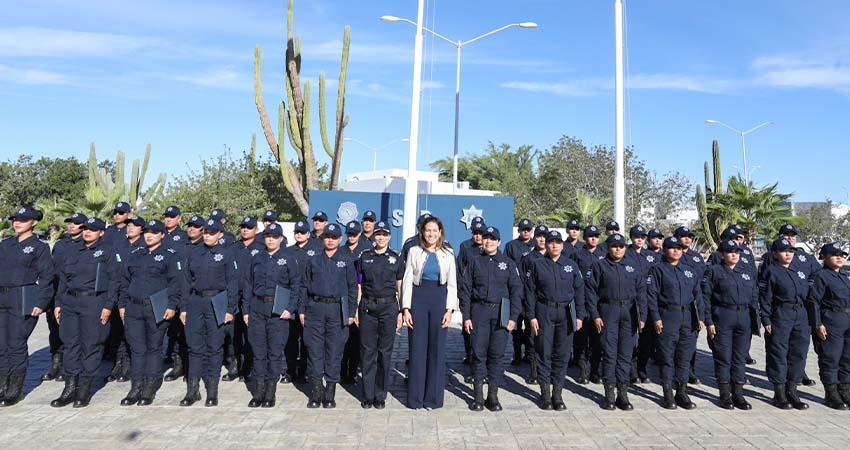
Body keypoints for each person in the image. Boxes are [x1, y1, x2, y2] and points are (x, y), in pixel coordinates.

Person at [50, 217, 117, 408]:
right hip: (70, 301)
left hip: (94, 302)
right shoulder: (72, 249)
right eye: (85, 228)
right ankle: (69, 388)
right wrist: (58, 303)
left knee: (91, 344)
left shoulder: (107, 251)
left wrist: (108, 306)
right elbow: (63, 279)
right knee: (70, 344)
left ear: (101, 233)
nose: (87, 232)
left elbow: (114, 281)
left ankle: (84, 390)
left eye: (93, 229)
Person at [117, 219, 183, 406]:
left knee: (154, 348)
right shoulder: (135, 254)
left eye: (154, 232)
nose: (149, 235)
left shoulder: (170, 256)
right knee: (137, 350)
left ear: (162, 235)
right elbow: (124, 281)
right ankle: (135, 387)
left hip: (157, 307)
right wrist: (122, 306)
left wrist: (172, 306)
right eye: (146, 231)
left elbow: (175, 284)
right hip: (133, 308)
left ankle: (149, 388)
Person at [460, 226, 522, 412]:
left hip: (501, 313)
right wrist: (466, 316)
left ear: (499, 242)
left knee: (496, 355)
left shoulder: (508, 264)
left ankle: (492, 396)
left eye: (492, 239)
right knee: (478, 354)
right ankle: (478, 396)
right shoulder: (474, 262)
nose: (488, 242)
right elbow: (465, 291)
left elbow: (516, 291)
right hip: (479, 311)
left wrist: (513, 317)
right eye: (486, 239)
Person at [524, 230, 585, 411]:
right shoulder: (537, 265)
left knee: (562, 354)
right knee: (544, 352)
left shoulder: (571, 265)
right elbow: (529, 292)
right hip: (544, 311)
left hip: (566, 312)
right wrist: (531, 316)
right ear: (546, 244)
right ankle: (545, 395)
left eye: (558, 242)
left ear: (562, 244)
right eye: (551, 242)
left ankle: (557, 395)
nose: (554, 245)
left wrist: (580, 316)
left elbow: (580, 291)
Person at [0, 206, 55, 407]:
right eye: (15, 219)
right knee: (1, 346)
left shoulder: (39, 247)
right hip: (2, 297)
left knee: (15, 344)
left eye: (22, 220)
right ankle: (2, 385)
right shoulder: (5, 245)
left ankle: (15, 390)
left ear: (33, 222)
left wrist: (41, 302)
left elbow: (47, 277)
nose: (17, 223)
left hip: (23, 297)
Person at [180, 219, 239, 407]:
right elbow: (186, 282)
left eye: (212, 232)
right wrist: (183, 308)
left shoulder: (226, 255)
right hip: (195, 302)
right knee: (194, 347)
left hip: (217, 302)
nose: (207, 235)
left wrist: (230, 309)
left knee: (214, 348)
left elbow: (232, 284)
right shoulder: (193, 252)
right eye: (205, 231)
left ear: (220, 235)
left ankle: (212, 392)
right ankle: (192, 390)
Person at [299, 223, 358, 409]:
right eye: (327, 237)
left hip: (337, 310)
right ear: (322, 239)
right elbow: (303, 287)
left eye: (334, 237)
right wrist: (301, 310)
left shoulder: (347, 260)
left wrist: (350, 312)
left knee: (334, 350)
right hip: (315, 308)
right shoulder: (313, 260)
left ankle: (330, 391)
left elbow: (352, 288)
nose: (330, 240)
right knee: (314, 350)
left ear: (340, 239)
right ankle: (316, 391)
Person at [402, 216, 458, 410]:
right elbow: (408, 279)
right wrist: (406, 308)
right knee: (417, 348)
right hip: (418, 297)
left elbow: (452, 284)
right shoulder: (414, 251)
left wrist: (450, 310)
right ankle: (415, 399)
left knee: (436, 349)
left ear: (440, 232)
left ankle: (432, 399)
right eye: (428, 230)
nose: (431, 234)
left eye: (435, 230)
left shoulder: (448, 253)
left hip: (439, 298)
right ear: (422, 232)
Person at [586, 233, 647, 410]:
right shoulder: (600, 266)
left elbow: (642, 292)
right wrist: (595, 315)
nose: (618, 249)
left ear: (625, 248)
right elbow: (590, 292)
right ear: (608, 247)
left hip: (629, 313)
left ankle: (623, 394)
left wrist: (642, 316)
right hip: (608, 311)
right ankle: (609, 394)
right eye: (614, 246)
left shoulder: (633, 266)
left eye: (621, 246)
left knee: (626, 355)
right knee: (610, 354)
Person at [244, 223, 300, 408]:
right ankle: (258, 393)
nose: (270, 239)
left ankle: (270, 394)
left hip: (278, 310)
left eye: (274, 236)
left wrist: (290, 309)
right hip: (258, 307)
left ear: (281, 239)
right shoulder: (256, 257)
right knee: (259, 352)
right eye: (268, 236)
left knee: (274, 353)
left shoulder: (289, 258)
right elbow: (248, 285)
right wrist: (246, 310)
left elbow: (296, 286)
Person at [647, 236, 705, 410]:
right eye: (672, 248)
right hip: (667, 316)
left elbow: (698, 296)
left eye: (679, 248)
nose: (676, 250)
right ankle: (668, 395)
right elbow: (651, 297)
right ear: (665, 250)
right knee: (667, 357)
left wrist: (700, 317)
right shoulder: (657, 270)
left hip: (687, 317)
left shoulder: (689, 271)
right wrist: (656, 318)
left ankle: (682, 392)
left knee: (684, 357)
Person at [702, 239, 758, 410]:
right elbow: (706, 298)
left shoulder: (747, 271)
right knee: (724, 357)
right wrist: (709, 321)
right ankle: (725, 395)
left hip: (743, 317)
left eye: (737, 252)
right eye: (730, 252)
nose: (734, 255)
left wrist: (756, 320)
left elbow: (754, 296)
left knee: (739, 358)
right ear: (722, 254)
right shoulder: (714, 271)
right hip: (723, 316)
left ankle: (738, 394)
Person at [760, 238, 811, 410]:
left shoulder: (799, 271)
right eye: (783, 250)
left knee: (799, 353)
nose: (788, 253)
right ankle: (779, 393)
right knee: (778, 353)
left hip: (801, 315)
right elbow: (765, 298)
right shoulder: (771, 272)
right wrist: (766, 319)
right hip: (781, 314)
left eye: (791, 250)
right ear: (775, 253)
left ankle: (792, 390)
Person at [356, 221, 403, 409]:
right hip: (368, 307)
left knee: (384, 353)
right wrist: (356, 309)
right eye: (378, 234)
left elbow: (400, 286)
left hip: (389, 307)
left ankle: (380, 395)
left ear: (390, 237)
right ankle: (367, 395)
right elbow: (359, 285)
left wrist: (401, 310)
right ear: (374, 236)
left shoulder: (396, 258)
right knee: (367, 352)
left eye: (385, 234)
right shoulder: (364, 257)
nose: (381, 237)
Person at [45, 213, 88, 383]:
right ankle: (56, 363)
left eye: (76, 223)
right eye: (69, 223)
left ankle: (69, 367)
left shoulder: (85, 245)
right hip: (56, 291)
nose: (71, 226)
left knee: (71, 333)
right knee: (54, 330)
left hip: (73, 292)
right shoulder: (61, 244)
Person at [806, 243, 850, 410]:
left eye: (842, 255)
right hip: (831, 320)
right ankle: (831, 394)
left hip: (847, 320)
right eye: (835, 255)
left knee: (847, 359)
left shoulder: (845, 276)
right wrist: (818, 324)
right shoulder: (821, 276)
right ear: (823, 256)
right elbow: (814, 301)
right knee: (831, 359)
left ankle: (845, 390)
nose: (839, 258)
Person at [107, 215, 147, 383]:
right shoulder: (119, 246)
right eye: (129, 225)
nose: (130, 228)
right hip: (116, 293)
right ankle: (118, 362)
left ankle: (130, 364)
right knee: (116, 331)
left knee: (132, 333)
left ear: (142, 230)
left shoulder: (144, 247)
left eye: (135, 226)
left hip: (134, 296)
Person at [226, 216, 265, 383]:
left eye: (248, 227)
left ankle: (248, 367)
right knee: (233, 333)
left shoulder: (262, 248)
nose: (245, 230)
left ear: (256, 230)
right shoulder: (233, 248)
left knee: (251, 334)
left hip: (253, 297)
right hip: (234, 296)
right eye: (243, 227)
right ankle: (234, 366)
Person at [283, 220, 318, 384]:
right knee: (290, 338)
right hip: (290, 299)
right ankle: (290, 371)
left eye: (302, 232)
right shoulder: (288, 251)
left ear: (308, 234)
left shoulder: (317, 250)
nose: (299, 234)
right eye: (297, 232)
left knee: (306, 339)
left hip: (308, 299)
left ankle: (303, 371)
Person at [572, 225, 607, 385]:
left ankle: (595, 371)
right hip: (583, 303)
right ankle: (583, 371)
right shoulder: (577, 255)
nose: (593, 238)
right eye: (590, 236)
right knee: (581, 339)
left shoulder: (604, 255)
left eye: (596, 236)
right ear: (584, 238)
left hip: (600, 304)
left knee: (598, 339)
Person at [340, 220, 372, 384]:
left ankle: (352, 372)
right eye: (349, 233)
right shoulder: (340, 251)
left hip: (359, 297)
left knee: (357, 338)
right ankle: (341, 371)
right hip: (342, 297)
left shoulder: (365, 252)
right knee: (343, 337)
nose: (351, 236)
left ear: (360, 234)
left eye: (354, 233)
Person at [517, 224, 549, 383]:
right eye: (539, 236)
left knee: (549, 339)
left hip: (550, 306)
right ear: (534, 238)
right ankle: (534, 372)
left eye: (544, 236)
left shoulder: (555, 257)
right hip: (532, 305)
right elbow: (522, 283)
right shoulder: (528, 258)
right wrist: (523, 305)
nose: (542, 239)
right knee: (532, 338)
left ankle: (547, 370)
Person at [162, 205, 189, 383]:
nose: (168, 219)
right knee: (166, 329)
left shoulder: (184, 238)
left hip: (178, 286)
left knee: (178, 330)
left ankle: (179, 364)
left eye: (172, 217)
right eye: (166, 216)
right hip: (162, 288)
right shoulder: (158, 234)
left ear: (179, 218)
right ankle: (167, 358)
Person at [504, 219, 534, 368]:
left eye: (528, 229)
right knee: (515, 328)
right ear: (519, 231)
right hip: (515, 292)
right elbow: (506, 267)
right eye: (523, 229)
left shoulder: (537, 245)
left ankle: (529, 355)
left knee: (530, 328)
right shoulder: (511, 246)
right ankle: (517, 355)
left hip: (531, 294)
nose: (526, 232)